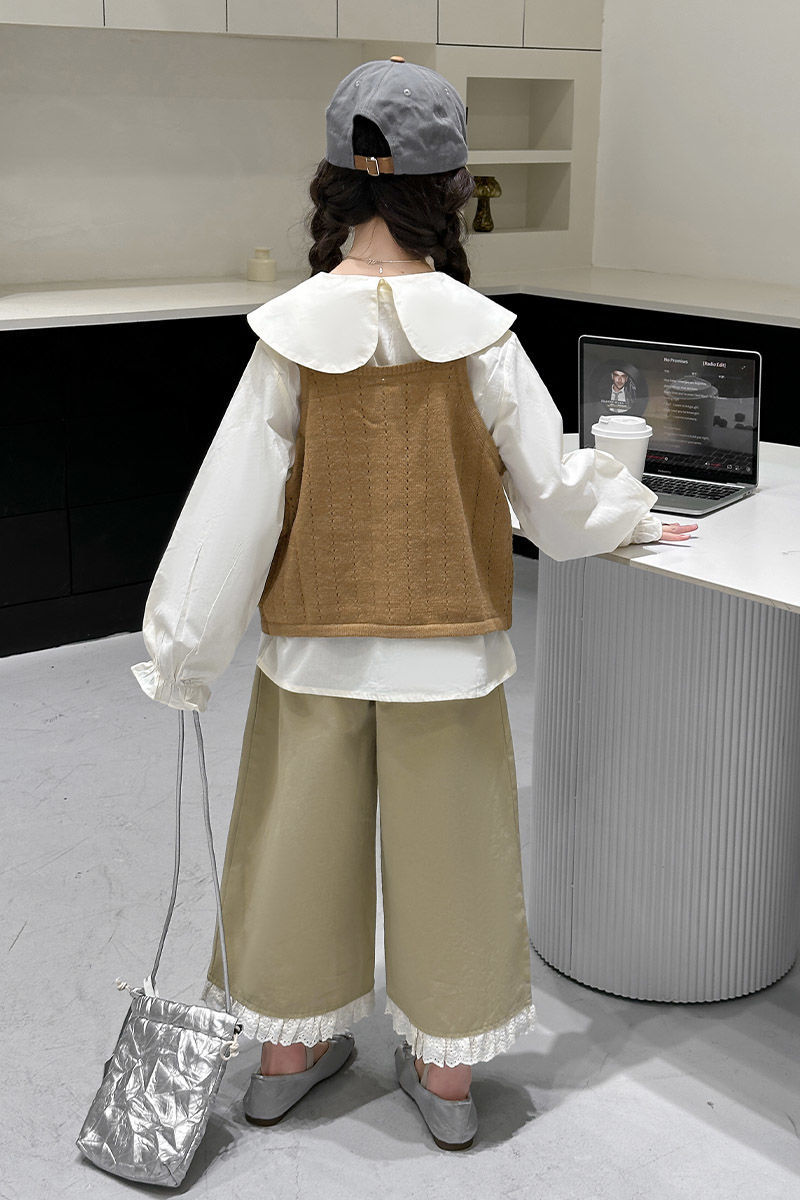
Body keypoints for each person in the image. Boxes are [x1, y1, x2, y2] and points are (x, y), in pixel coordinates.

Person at [130, 58, 698, 1151]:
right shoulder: (482, 338)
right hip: (453, 649)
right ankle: (445, 1079)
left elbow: (227, 513)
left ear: (334, 183)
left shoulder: (287, 339)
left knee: (294, 848)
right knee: (456, 858)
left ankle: (285, 1062)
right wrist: (629, 508)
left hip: (313, 645)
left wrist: (184, 652)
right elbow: (555, 501)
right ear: (450, 189)